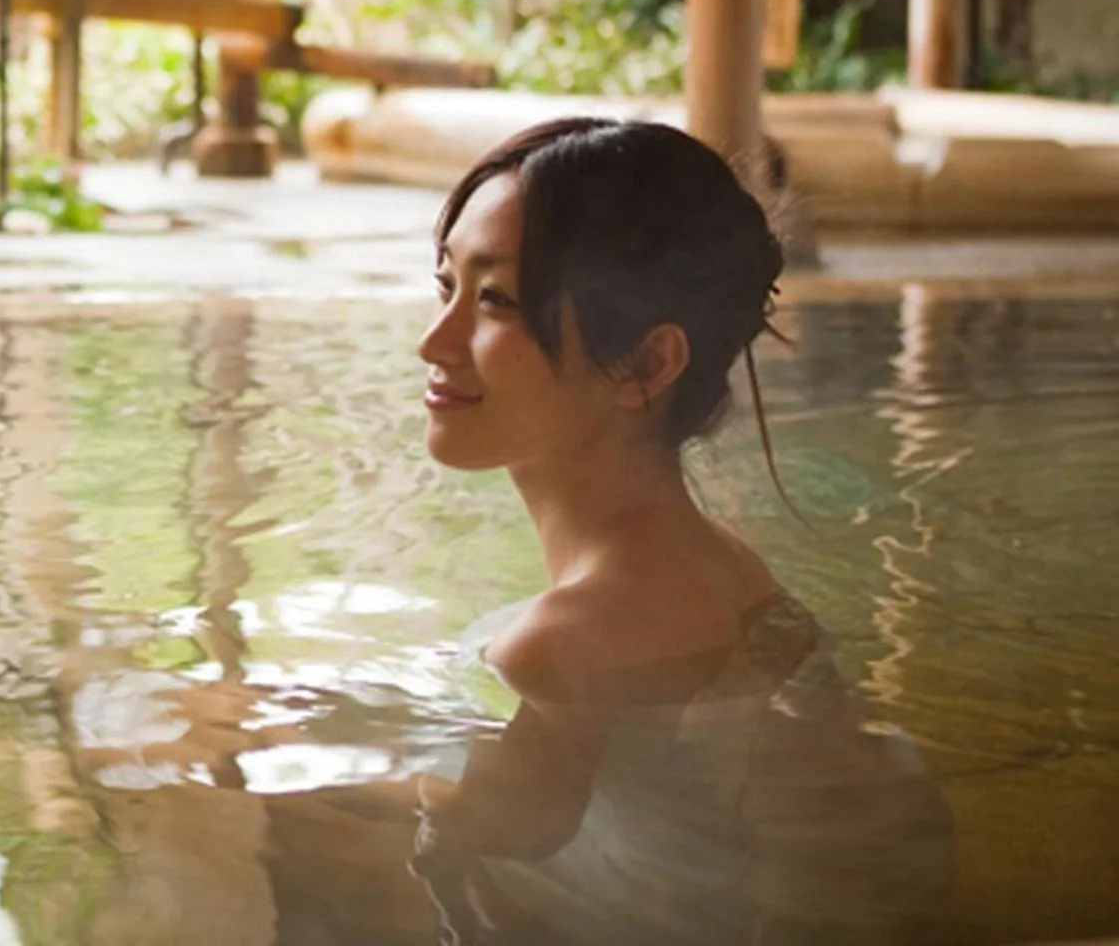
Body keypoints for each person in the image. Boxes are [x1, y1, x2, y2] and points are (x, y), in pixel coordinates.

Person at [403, 116, 950, 944]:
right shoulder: (718, 568)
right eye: (447, 287)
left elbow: (514, 824)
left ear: (648, 365)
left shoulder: (565, 643)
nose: (432, 342)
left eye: (496, 300)